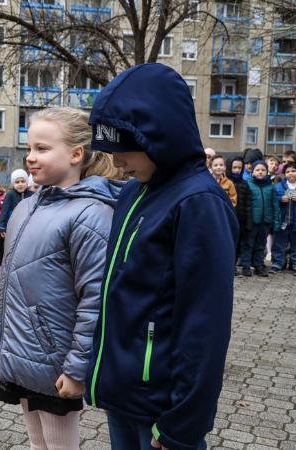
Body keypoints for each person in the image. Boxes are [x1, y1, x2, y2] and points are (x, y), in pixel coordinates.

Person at [84, 64, 238, 450]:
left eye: (125, 147)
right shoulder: (135, 192)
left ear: (159, 135)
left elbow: (205, 324)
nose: (116, 161)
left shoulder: (198, 203)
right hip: (124, 396)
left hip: (162, 412)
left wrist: (183, 423)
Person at [0, 107, 115, 450]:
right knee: (36, 442)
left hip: (56, 358)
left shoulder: (91, 213)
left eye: (42, 149)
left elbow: (95, 299)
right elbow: (9, 279)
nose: (30, 158)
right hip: (22, 349)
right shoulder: (27, 206)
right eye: (29, 148)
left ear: (76, 154)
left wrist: (76, 369)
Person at [270, 162, 296, 276]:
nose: (290, 173)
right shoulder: (279, 186)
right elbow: (273, 201)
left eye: (293, 171)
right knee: (279, 243)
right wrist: (280, 199)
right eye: (287, 172)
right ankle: (277, 264)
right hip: (283, 221)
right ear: (284, 174)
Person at [241, 160, 277, 277]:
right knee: (248, 243)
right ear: (252, 172)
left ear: (267, 172)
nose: (260, 172)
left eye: (263, 170)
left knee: (261, 245)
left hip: (265, 221)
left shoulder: (271, 187)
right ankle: (246, 266)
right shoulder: (248, 184)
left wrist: (275, 221)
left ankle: (258, 265)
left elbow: (275, 204)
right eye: (257, 170)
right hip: (252, 221)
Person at [228, 157, 253, 276]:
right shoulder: (227, 182)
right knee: (231, 244)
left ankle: (245, 266)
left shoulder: (245, 184)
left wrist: (248, 221)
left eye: (239, 168)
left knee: (243, 244)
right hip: (229, 219)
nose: (237, 170)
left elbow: (248, 204)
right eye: (234, 167)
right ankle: (230, 267)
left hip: (242, 220)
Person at [0, 169, 32, 238]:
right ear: (13, 184)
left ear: (27, 182)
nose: (20, 184)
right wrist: (2, 226)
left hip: (28, 226)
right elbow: (4, 211)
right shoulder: (10, 195)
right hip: (13, 226)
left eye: (23, 181)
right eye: (17, 182)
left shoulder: (32, 195)